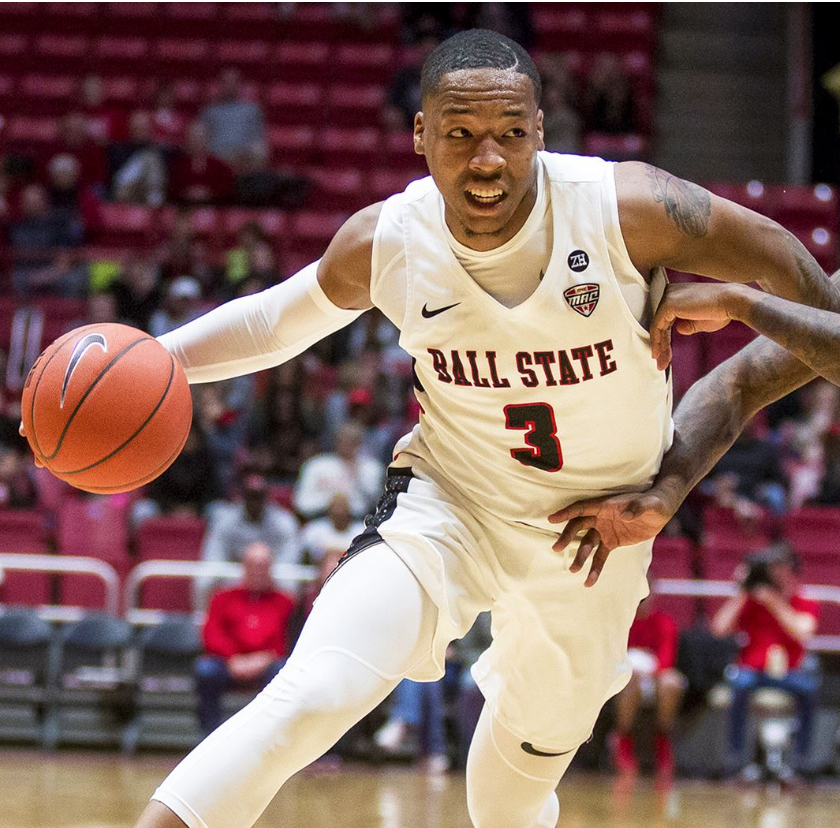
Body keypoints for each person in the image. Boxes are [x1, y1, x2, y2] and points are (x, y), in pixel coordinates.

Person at [88, 28, 836, 828]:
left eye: (512, 134)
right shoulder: (388, 240)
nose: (489, 161)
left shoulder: (632, 209)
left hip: (594, 537)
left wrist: (759, 340)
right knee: (313, 693)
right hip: (446, 504)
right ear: (420, 136)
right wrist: (148, 364)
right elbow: (276, 320)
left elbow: (796, 276)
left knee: (510, 799)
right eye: (462, 135)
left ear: (541, 132)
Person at [711, 544, 819, 776]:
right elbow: (719, 629)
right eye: (771, 568)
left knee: (810, 690)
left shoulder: (804, 601)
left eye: (780, 567)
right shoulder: (750, 599)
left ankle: (801, 760)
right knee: (739, 685)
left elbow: (803, 631)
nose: (775, 573)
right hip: (753, 671)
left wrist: (775, 602)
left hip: (790, 672)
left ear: (792, 571)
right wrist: (742, 591)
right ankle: (736, 757)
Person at [195, 542, 296, 735]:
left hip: (268, 663)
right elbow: (211, 634)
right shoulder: (222, 598)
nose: (258, 571)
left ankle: (270, 735)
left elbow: (289, 637)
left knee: (284, 672)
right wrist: (233, 658)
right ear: (244, 567)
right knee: (205, 671)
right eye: (253, 565)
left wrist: (265, 658)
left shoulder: (285, 602)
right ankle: (209, 735)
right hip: (228, 662)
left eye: (263, 566)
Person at [194, 472, 300, 610]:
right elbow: (213, 557)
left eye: (259, 496)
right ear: (242, 497)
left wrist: (262, 573)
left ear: (267, 497)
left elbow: (288, 562)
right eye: (250, 496)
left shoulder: (284, 522)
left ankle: (289, 628)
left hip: (271, 572)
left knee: (289, 582)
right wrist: (245, 574)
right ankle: (204, 623)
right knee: (205, 580)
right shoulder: (225, 521)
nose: (254, 502)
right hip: (234, 572)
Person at [611, 592, 686, 783]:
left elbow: (666, 660)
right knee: (630, 680)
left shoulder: (664, 622)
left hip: (654, 676)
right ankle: (623, 739)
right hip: (626, 678)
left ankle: (662, 738)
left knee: (672, 682)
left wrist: (650, 673)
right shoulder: (620, 622)